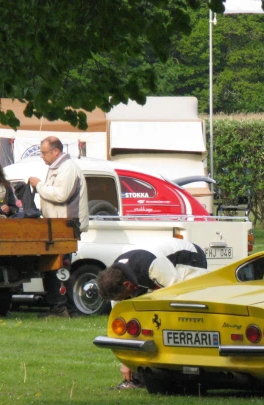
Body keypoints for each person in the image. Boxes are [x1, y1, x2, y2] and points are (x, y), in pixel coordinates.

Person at [96, 238, 208, 389]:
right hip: (158, 267)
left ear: (127, 285)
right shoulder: (116, 277)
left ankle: (187, 373)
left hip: (189, 259)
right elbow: (125, 322)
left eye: (121, 297)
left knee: (180, 316)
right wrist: (126, 361)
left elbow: (175, 292)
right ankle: (140, 378)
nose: (120, 300)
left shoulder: (151, 267)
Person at [28, 136, 89, 318]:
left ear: (55, 151)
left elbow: (61, 195)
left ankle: (62, 309)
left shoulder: (67, 168)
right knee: (57, 268)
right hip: (57, 227)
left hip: (65, 227)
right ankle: (65, 308)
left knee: (60, 269)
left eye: (44, 152)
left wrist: (38, 185)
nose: (42, 156)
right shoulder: (59, 167)